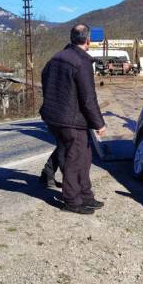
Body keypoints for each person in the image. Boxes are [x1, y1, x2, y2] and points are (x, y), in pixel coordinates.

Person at [39, 24, 107, 215]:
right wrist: (99, 123)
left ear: (71, 38)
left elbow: (45, 80)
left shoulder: (55, 58)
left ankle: (86, 195)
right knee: (76, 160)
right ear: (88, 40)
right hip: (71, 119)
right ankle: (71, 201)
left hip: (53, 117)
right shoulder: (81, 61)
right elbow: (88, 97)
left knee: (83, 157)